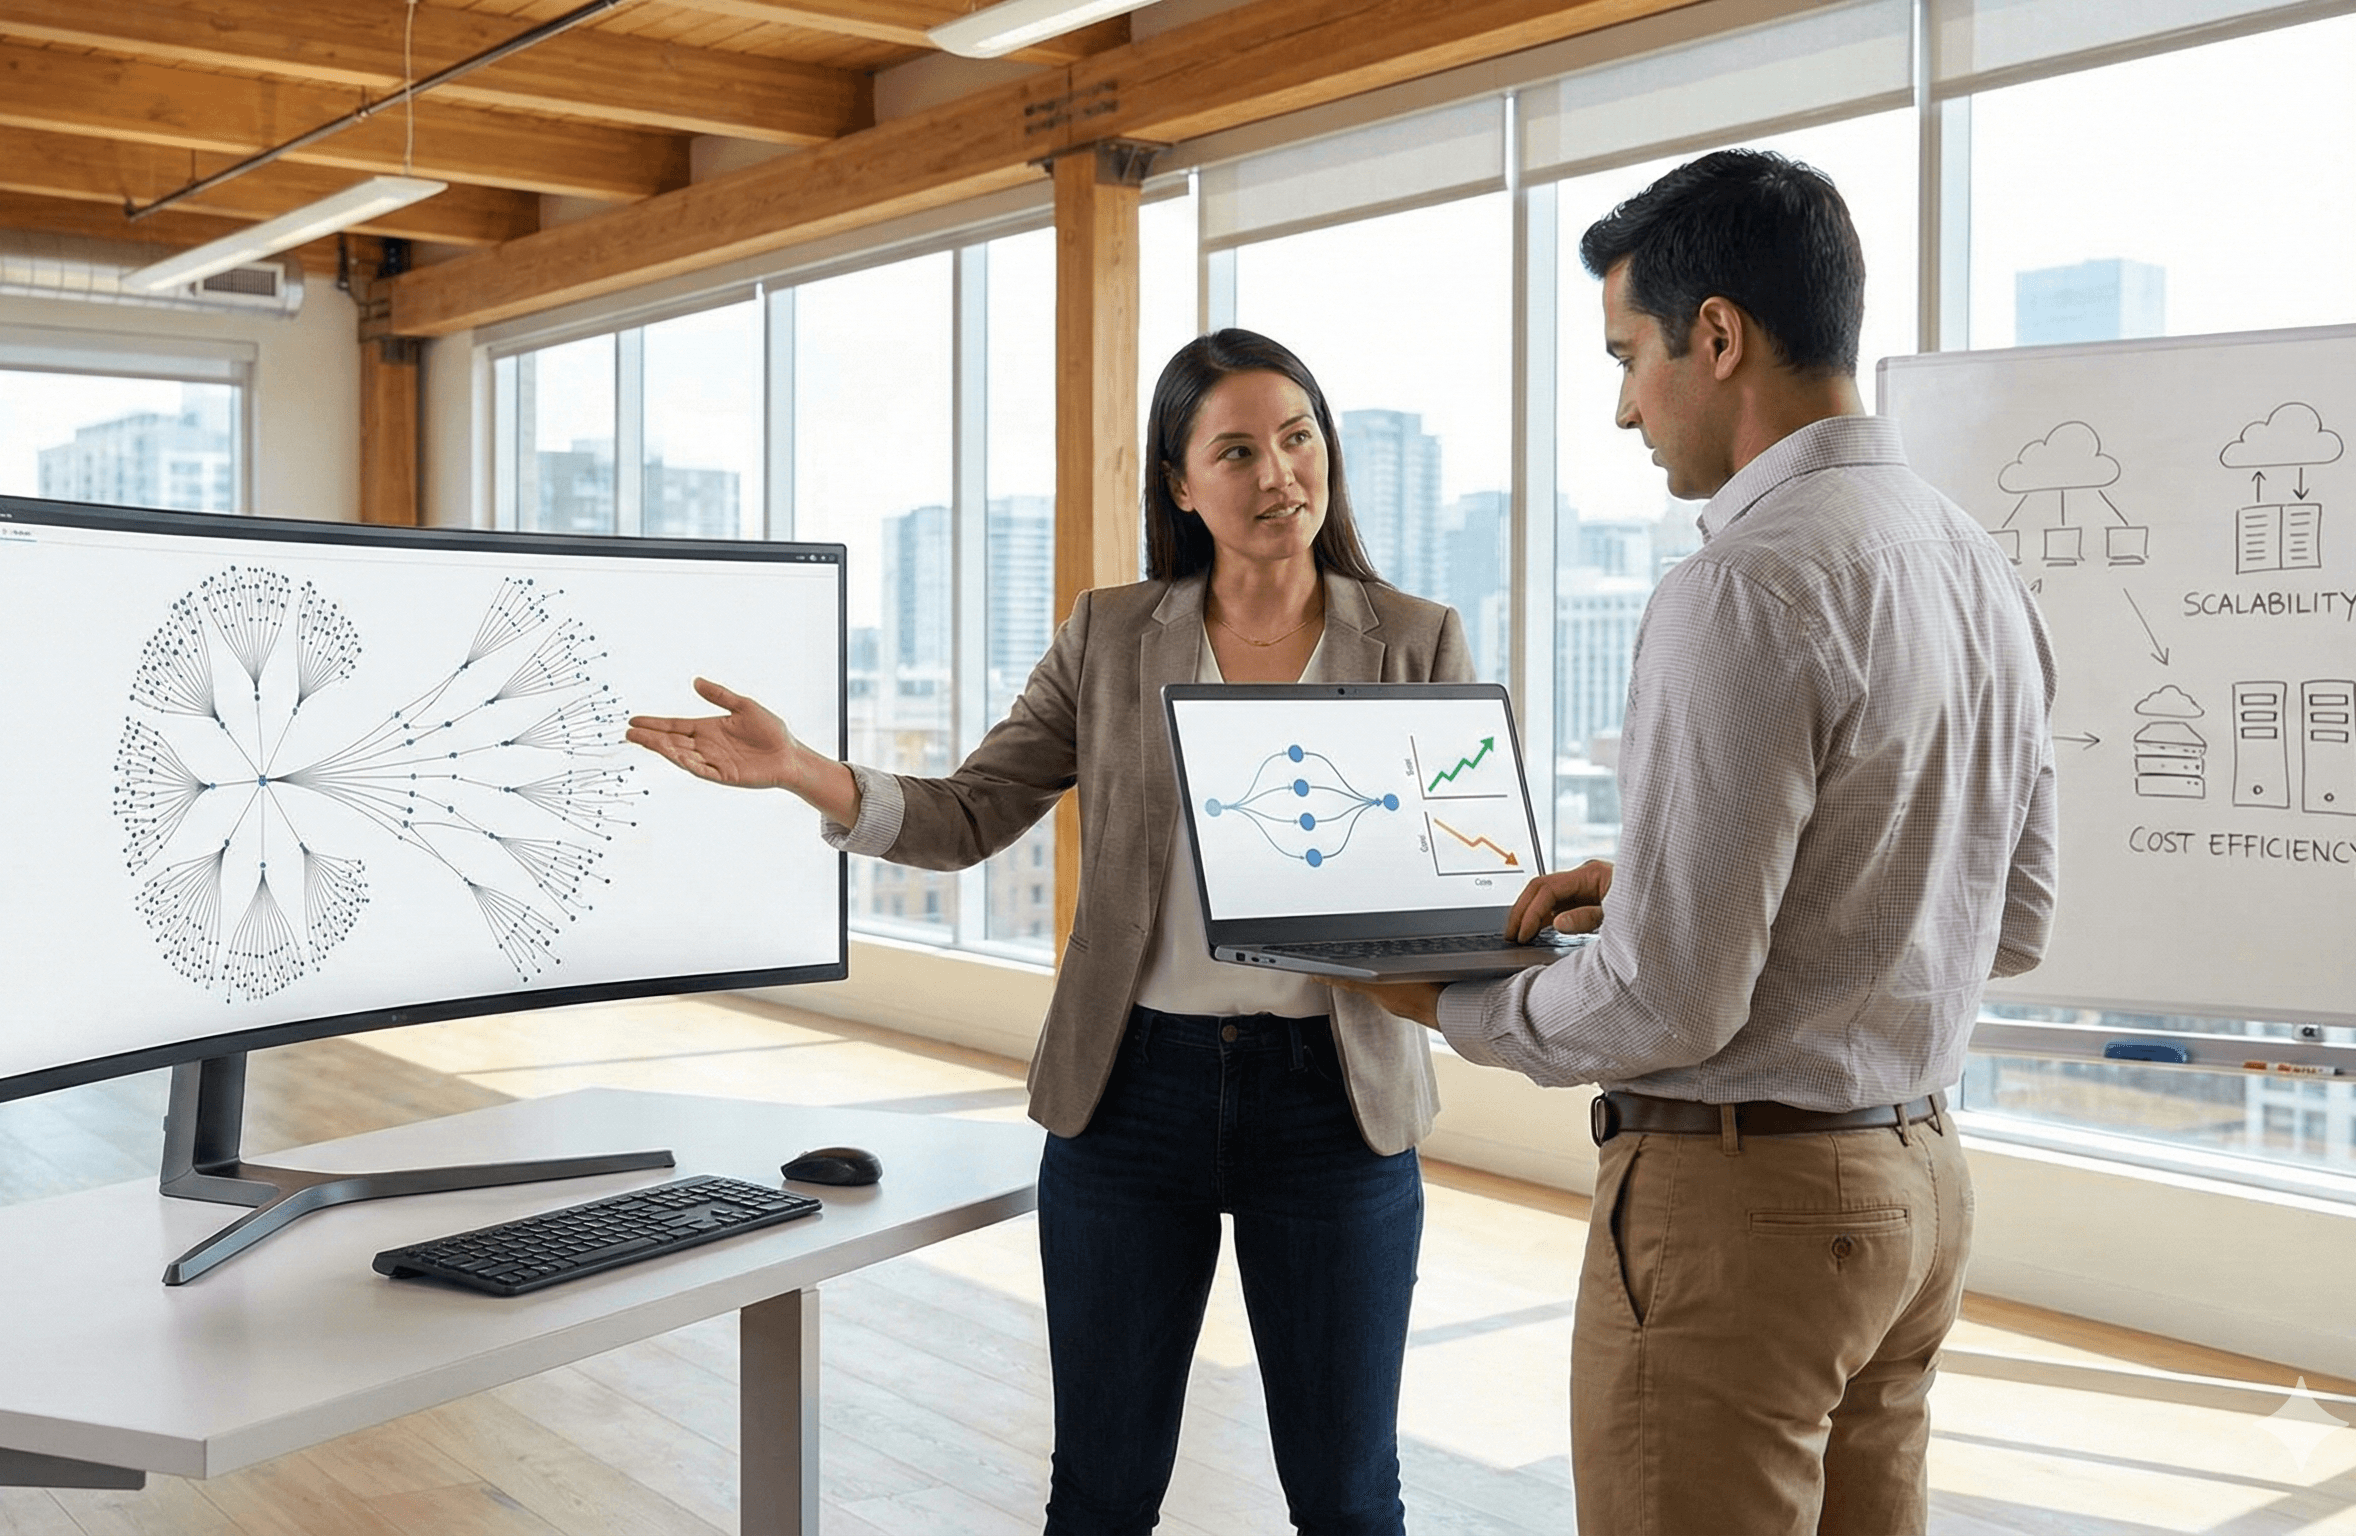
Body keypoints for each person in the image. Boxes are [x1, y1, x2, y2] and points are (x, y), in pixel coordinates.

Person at [628, 329, 1470, 1535]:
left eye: (1296, 436)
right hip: (1130, 1095)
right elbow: (972, 812)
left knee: (1346, 1497)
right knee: (1100, 1491)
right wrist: (806, 771)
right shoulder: (1112, 632)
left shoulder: (1416, 637)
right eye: (1235, 450)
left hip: (1333, 1103)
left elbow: (1453, 870)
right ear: (1181, 485)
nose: (1277, 472)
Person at [1347, 151, 2057, 1534]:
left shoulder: (1740, 585)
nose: (1623, 406)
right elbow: (2008, 918)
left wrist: (1448, 1002)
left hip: (1746, 1215)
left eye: (1630, 356)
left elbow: (1673, 999)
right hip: (1915, 1193)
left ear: (1717, 335)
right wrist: (1650, 890)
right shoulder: (1978, 563)